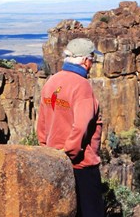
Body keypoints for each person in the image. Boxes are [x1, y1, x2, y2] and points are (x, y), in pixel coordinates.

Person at [37, 38, 104, 217]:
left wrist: (47, 150)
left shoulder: (52, 81)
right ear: (84, 60)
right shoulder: (82, 86)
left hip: (53, 160)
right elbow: (81, 127)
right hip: (81, 164)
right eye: (92, 60)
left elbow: (42, 121)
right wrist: (69, 154)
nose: (92, 64)